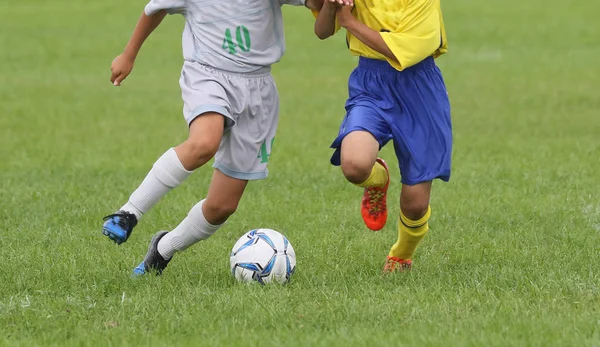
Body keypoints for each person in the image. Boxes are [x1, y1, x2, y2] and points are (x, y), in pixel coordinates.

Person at [103, 0, 328, 275]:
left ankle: (163, 249)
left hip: (258, 91)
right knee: (203, 144)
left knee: (222, 206)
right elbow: (155, 9)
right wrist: (128, 55)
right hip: (207, 74)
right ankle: (128, 213)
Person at [314, 0, 452, 272]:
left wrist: (350, 22)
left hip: (419, 88)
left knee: (416, 204)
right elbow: (321, 31)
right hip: (371, 83)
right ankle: (378, 180)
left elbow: (399, 50)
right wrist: (331, 7)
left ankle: (401, 254)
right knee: (353, 165)